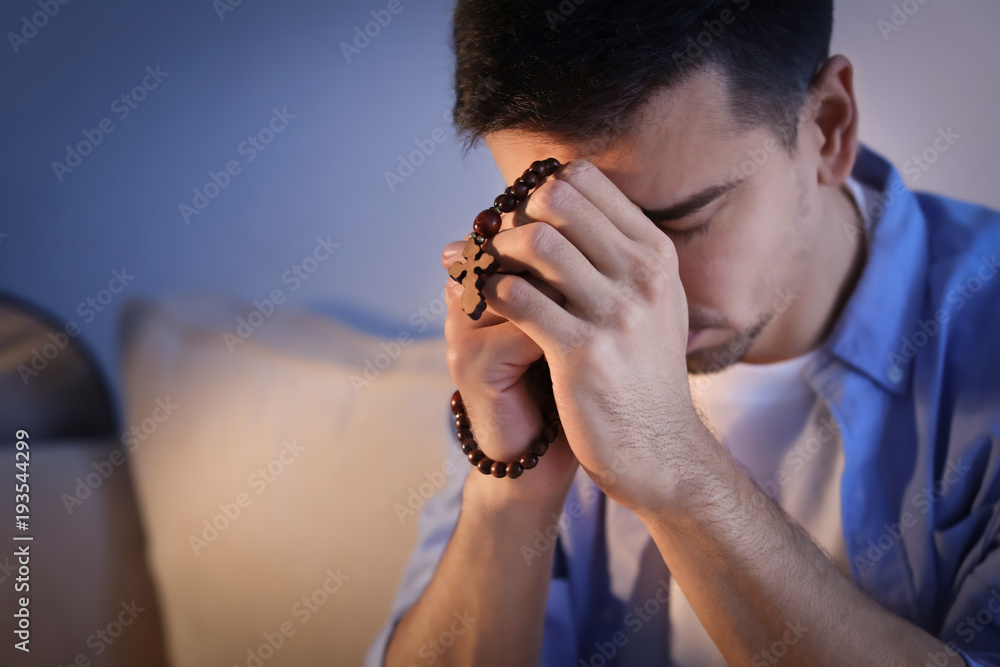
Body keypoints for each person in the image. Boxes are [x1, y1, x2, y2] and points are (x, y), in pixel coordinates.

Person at [367, 1, 1000, 665]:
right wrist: (511, 486)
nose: (629, 293)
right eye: (571, 229)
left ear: (828, 128)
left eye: (682, 221)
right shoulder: (537, 330)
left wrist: (678, 468)